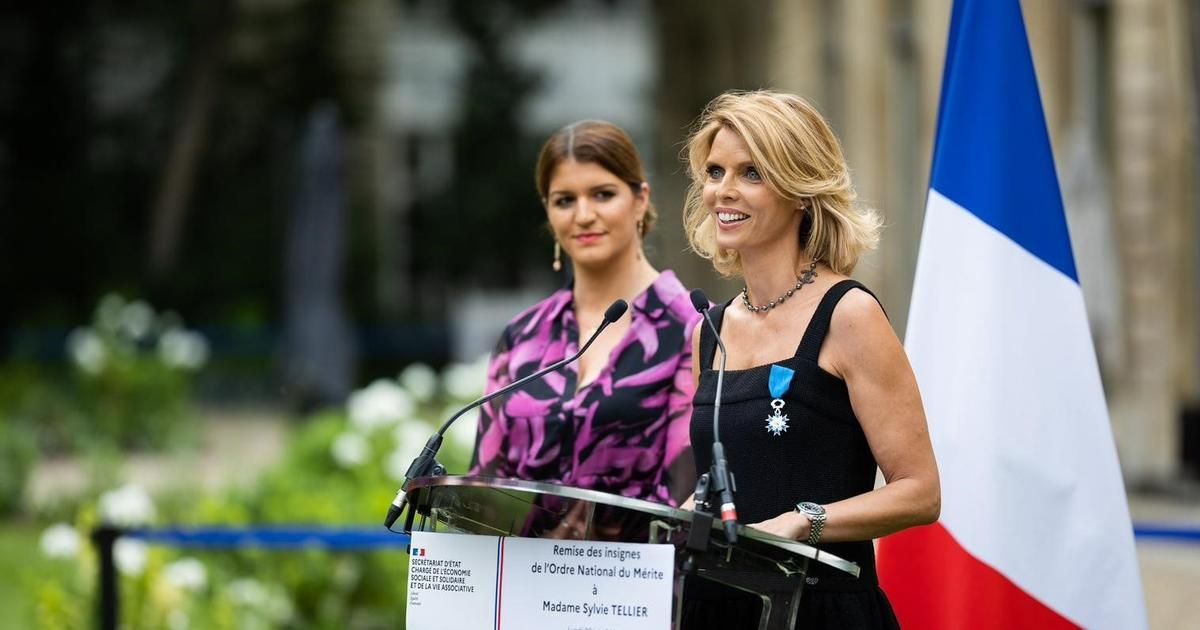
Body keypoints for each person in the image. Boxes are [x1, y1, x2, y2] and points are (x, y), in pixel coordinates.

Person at [680, 91, 941, 628]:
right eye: (714, 171)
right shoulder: (708, 330)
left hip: (820, 610)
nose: (722, 191)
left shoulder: (849, 315)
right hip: (716, 607)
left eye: (751, 173)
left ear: (800, 191)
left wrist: (806, 521)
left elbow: (920, 493)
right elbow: (729, 478)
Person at [469, 120, 702, 539]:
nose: (584, 215)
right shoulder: (521, 337)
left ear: (639, 199)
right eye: (564, 200)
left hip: (638, 588)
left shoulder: (695, 329)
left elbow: (687, 499)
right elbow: (482, 493)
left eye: (602, 194)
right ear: (548, 211)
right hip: (520, 588)